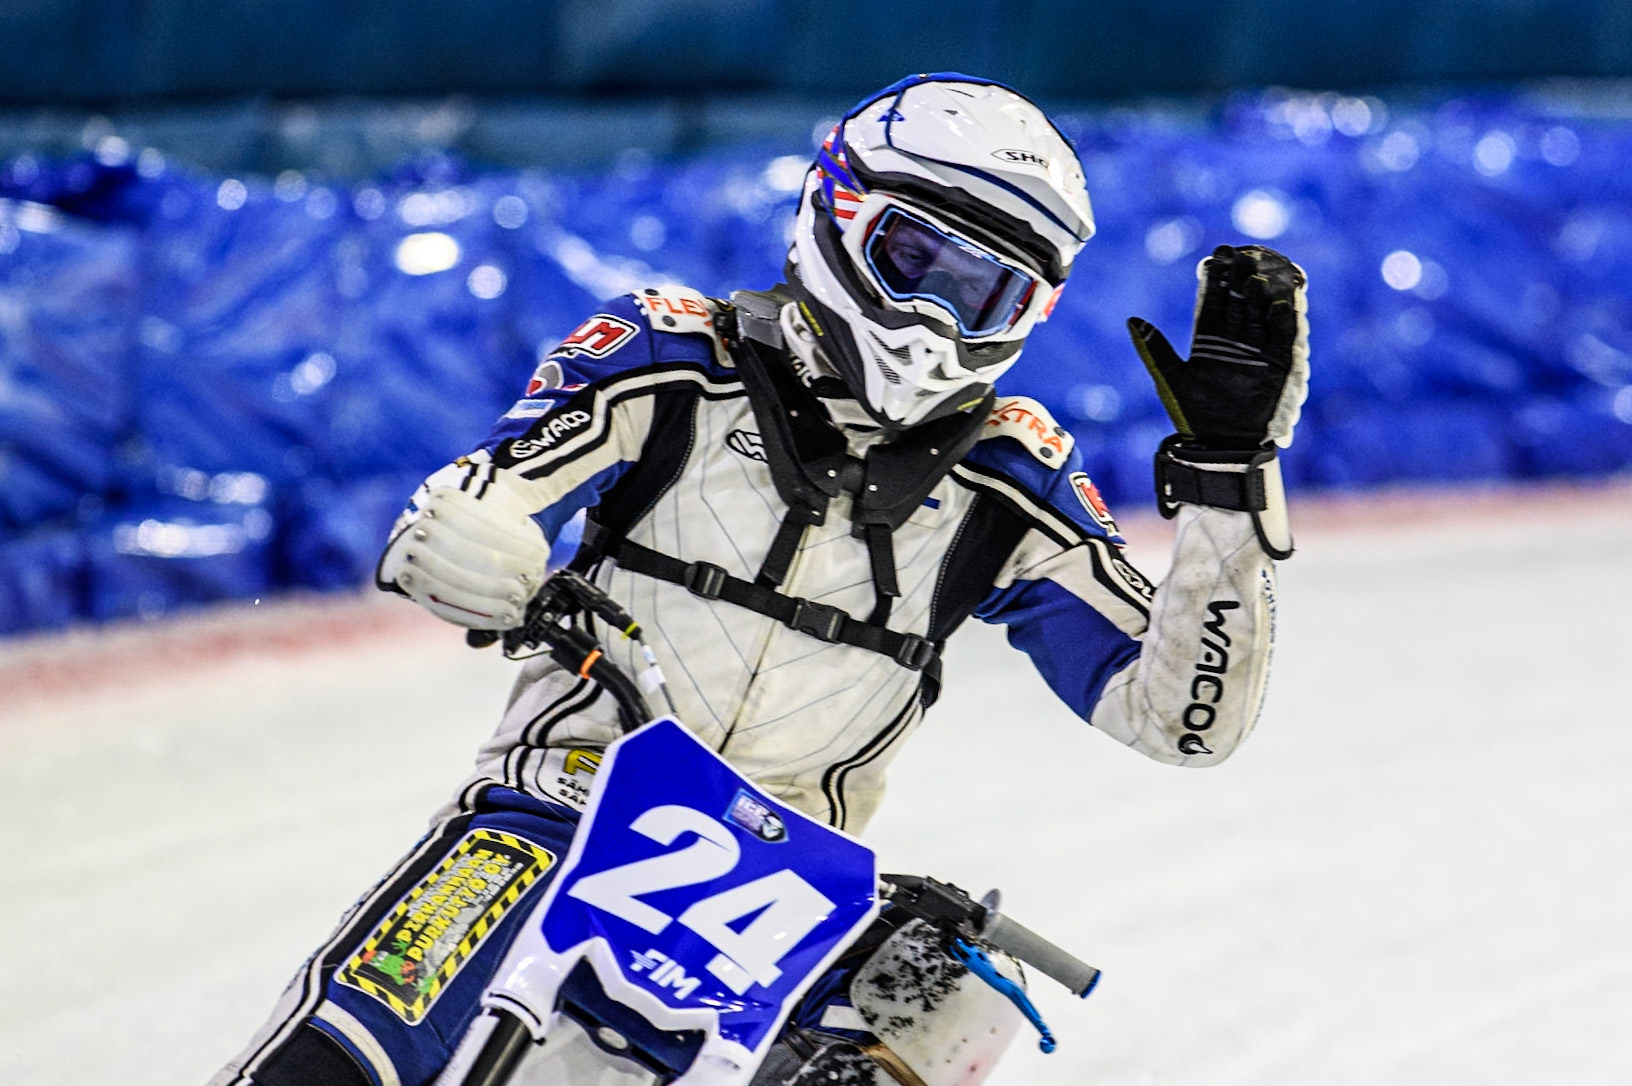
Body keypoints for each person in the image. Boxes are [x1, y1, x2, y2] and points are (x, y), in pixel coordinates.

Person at [213, 72, 1308, 1086]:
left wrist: (1229, 489)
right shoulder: (670, 358)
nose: (933, 323)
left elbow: (1183, 722)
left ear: (1029, 316)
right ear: (835, 213)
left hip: (781, 890)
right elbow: (482, 494)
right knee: (341, 1053)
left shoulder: (1009, 476)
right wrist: (473, 541)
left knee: (954, 1002)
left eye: (981, 295)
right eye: (914, 262)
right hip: (564, 806)